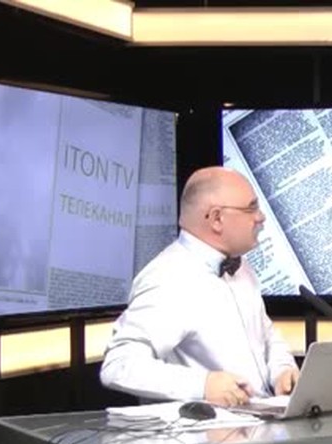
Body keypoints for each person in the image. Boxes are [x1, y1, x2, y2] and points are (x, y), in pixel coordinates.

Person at [100, 166, 299, 406]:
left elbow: (266, 335)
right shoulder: (169, 278)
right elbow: (118, 365)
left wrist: (282, 370)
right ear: (216, 219)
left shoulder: (241, 267)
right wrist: (202, 385)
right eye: (251, 208)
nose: (261, 217)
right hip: (211, 427)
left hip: (263, 418)